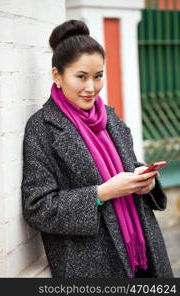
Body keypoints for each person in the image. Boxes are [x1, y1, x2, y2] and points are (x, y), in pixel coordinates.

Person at [21, 19, 173, 278]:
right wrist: (101, 193)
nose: (91, 87)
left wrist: (144, 182)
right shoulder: (42, 127)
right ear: (57, 75)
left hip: (144, 253)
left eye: (98, 76)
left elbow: (128, 167)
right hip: (93, 266)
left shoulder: (109, 118)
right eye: (81, 77)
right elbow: (38, 208)